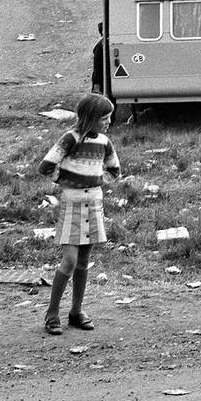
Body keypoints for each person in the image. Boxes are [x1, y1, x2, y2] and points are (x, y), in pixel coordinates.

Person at [36, 92, 122, 335]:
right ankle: (52, 313)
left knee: (84, 263)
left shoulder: (104, 142)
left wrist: (97, 181)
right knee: (70, 261)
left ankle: (76, 312)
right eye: (104, 118)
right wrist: (67, 181)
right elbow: (46, 166)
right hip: (72, 206)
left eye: (109, 118)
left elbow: (114, 170)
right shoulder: (69, 138)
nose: (108, 122)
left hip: (94, 205)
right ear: (90, 117)